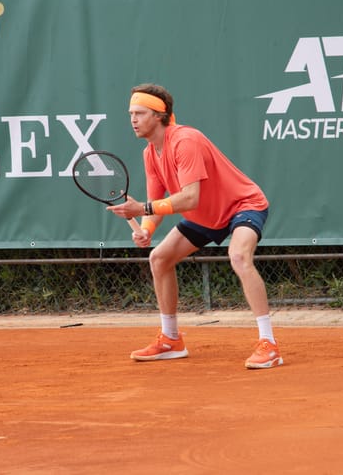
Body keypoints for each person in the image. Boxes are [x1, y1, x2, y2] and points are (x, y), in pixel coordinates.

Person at [107, 83, 282, 369]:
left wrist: (143, 209)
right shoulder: (150, 153)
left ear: (159, 116)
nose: (133, 120)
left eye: (139, 113)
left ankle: (269, 344)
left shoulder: (186, 141)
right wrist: (147, 229)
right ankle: (171, 339)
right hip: (205, 216)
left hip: (241, 205)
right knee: (159, 258)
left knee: (239, 256)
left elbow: (189, 198)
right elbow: (156, 200)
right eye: (131, 114)